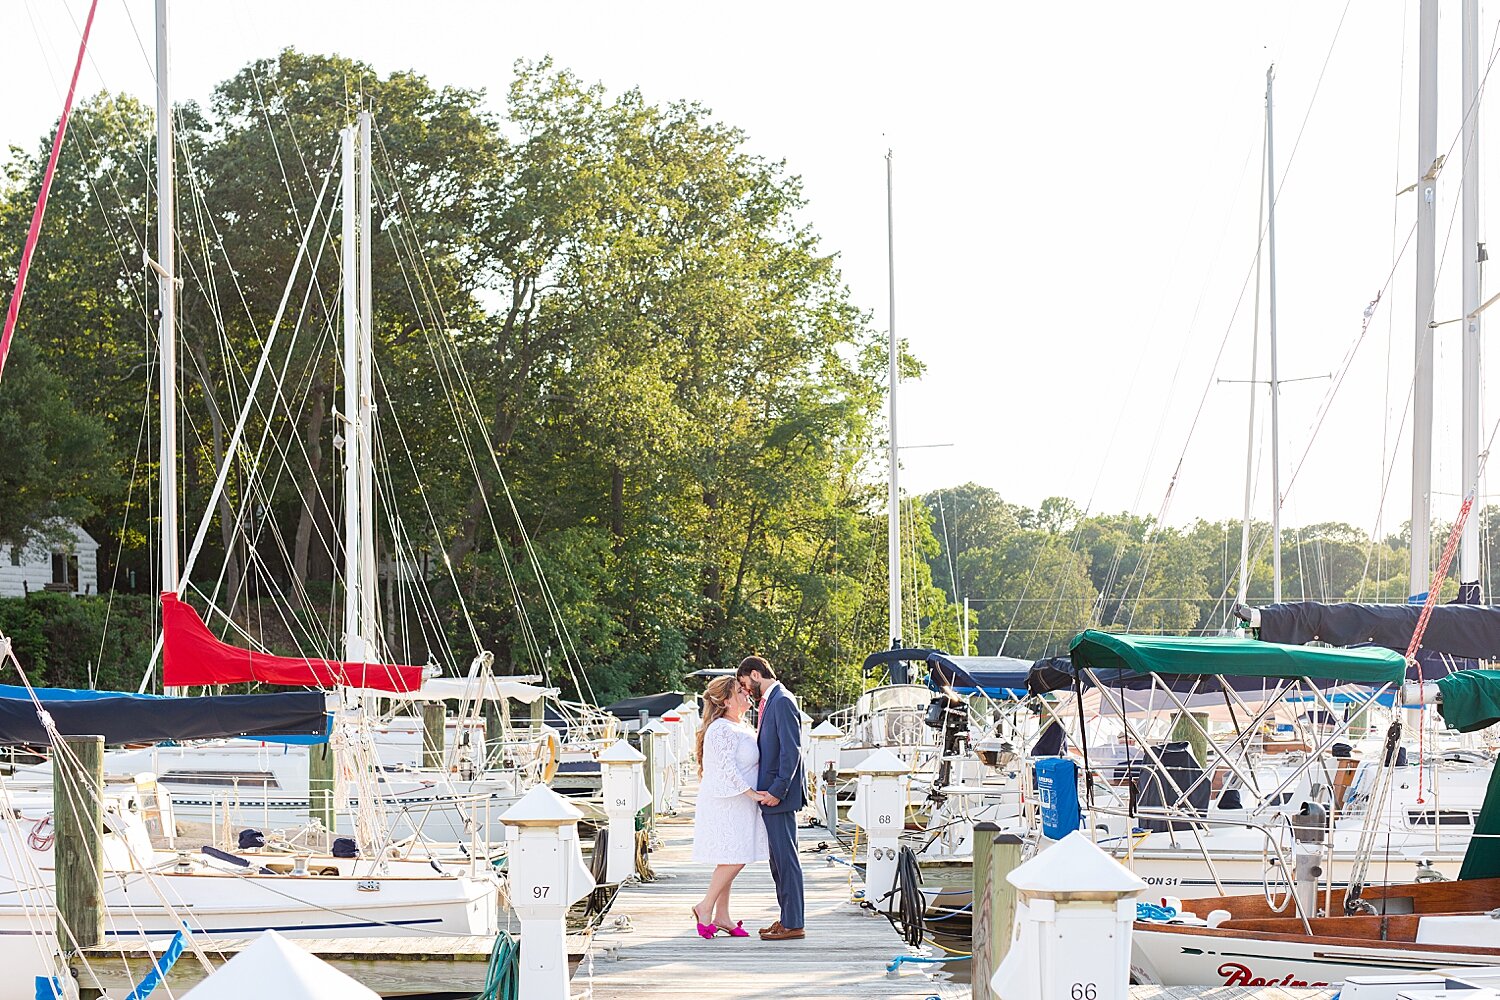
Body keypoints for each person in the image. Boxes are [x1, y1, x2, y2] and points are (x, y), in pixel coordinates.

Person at [690, 675, 770, 939]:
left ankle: (722, 915)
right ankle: (705, 906)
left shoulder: (741, 725)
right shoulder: (721, 729)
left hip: (740, 803)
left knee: (731, 857)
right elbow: (725, 768)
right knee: (735, 856)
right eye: (739, 691)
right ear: (725, 701)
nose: (746, 693)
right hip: (728, 803)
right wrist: (752, 794)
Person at [737, 655, 806, 941]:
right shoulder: (771, 701)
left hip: (779, 797)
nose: (746, 688)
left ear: (755, 674)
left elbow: (793, 752)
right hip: (771, 796)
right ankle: (787, 918)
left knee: (786, 859)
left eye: (744, 682)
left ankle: (793, 923)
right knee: (777, 861)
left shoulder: (783, 700)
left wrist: (777, 791)